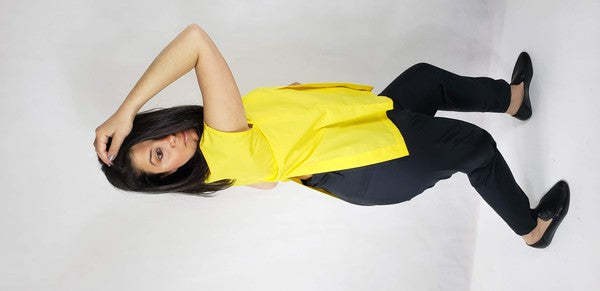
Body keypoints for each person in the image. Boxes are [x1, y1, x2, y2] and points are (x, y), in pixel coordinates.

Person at [94, 24, 570, 249]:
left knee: (426, 80)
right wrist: (126, 110)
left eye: (159, 136)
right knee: (477, 149)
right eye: (159, 156)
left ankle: (514, 99)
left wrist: (283, 151)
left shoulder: (218, 150)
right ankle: (531, 230)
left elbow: (265, 179)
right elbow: (196, 41)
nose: (173, 142)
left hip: (363, 125)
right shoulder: (222, 145)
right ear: (167, 177)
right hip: (372, 163)